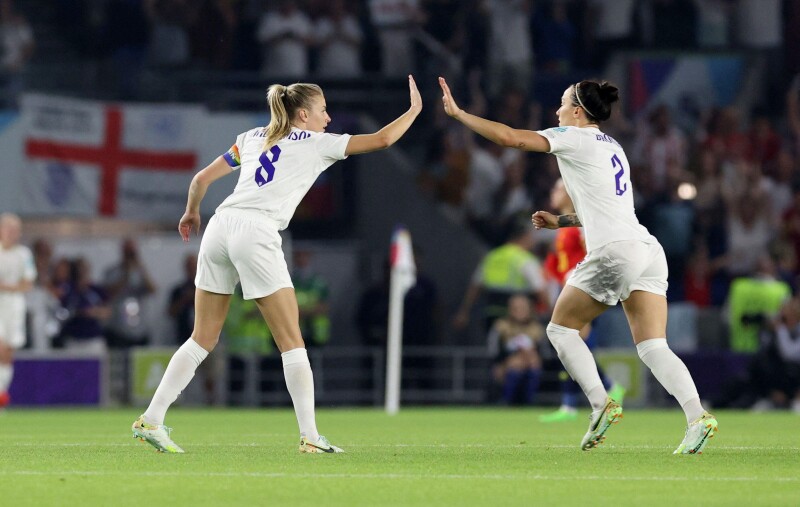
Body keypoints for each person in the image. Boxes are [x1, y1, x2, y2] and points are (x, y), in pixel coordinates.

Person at [132, 75, 423, 454]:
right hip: (256, 231)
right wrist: (415, 109)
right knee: (291, 342)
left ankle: (151, 419)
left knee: (202, 337)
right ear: (304, 114)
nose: (329, 118)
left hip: (220, 226)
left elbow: (201, 179)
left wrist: (191, 213)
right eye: (323, 110)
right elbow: (383, 139)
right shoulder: (319, 144)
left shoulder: (252, 137)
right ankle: (310, 438)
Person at [439, 76, 717, 454]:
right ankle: (697, 416)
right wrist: (562, 221)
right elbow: (607, 209)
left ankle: (601, 405)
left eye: (561, 103)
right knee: (653, 346)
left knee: (560, 330)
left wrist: (460, 114)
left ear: (577, 111)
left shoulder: (573, 136)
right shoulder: (613, 146)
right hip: (647, 249)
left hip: (614, 252)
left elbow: (510, 138)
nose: (556, 111)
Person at [538, 179, 625, 423]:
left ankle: (574, 403)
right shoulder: (563, 224)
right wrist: (551, 273)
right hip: (568, 288)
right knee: (573, 345)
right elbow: (561, 261)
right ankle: (608, 387)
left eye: (557, 188)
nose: (553, 193)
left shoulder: (579, 222)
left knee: (568, 344)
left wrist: (575, 275)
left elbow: (593, 253)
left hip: (583, 288)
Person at [0, 213, 36, 407]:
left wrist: (8, 287)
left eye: (16, 230)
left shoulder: (24, 254)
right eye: (8, 229)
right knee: (1, 345)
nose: (12, 233)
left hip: (14, 304)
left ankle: (2, 393)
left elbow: (27, 283)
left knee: (7, 351)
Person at [487, 293, 544, 405]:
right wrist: (503, 363)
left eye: (523, 308)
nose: (519, 312)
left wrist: (529, 359)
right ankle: (506, 401)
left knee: (533, 366)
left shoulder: (537, 329)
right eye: (515, 308)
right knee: (514, 368)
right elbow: (493, 351)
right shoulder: (501, 326)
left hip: (531, 365)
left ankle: (528, 402)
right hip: (506, 366)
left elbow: (544, 354)